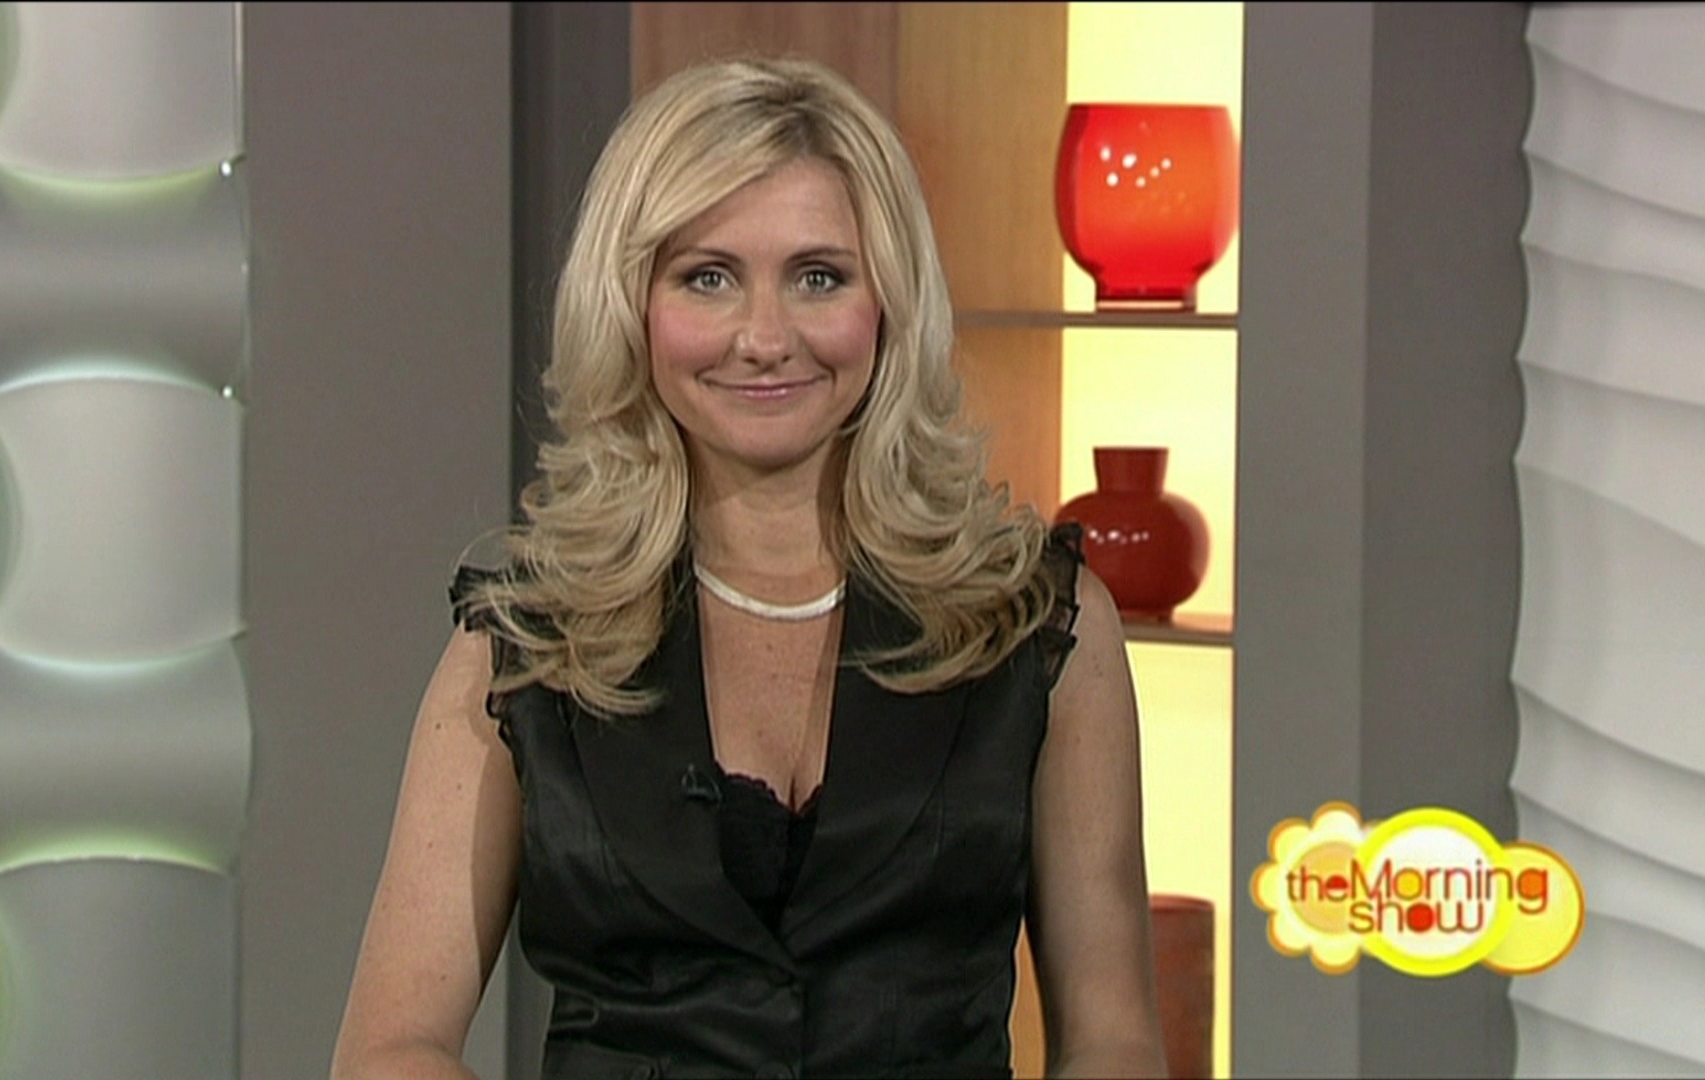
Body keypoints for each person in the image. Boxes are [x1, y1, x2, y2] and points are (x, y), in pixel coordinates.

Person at [331, 55, 1168, 1079]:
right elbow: (390, 1049)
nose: (765, 339)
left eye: (819, 277)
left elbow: (1113, 1041)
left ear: (888, 303)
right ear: (633, 304)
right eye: (708, 277)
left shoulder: (1036, 628)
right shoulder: (527, 646)